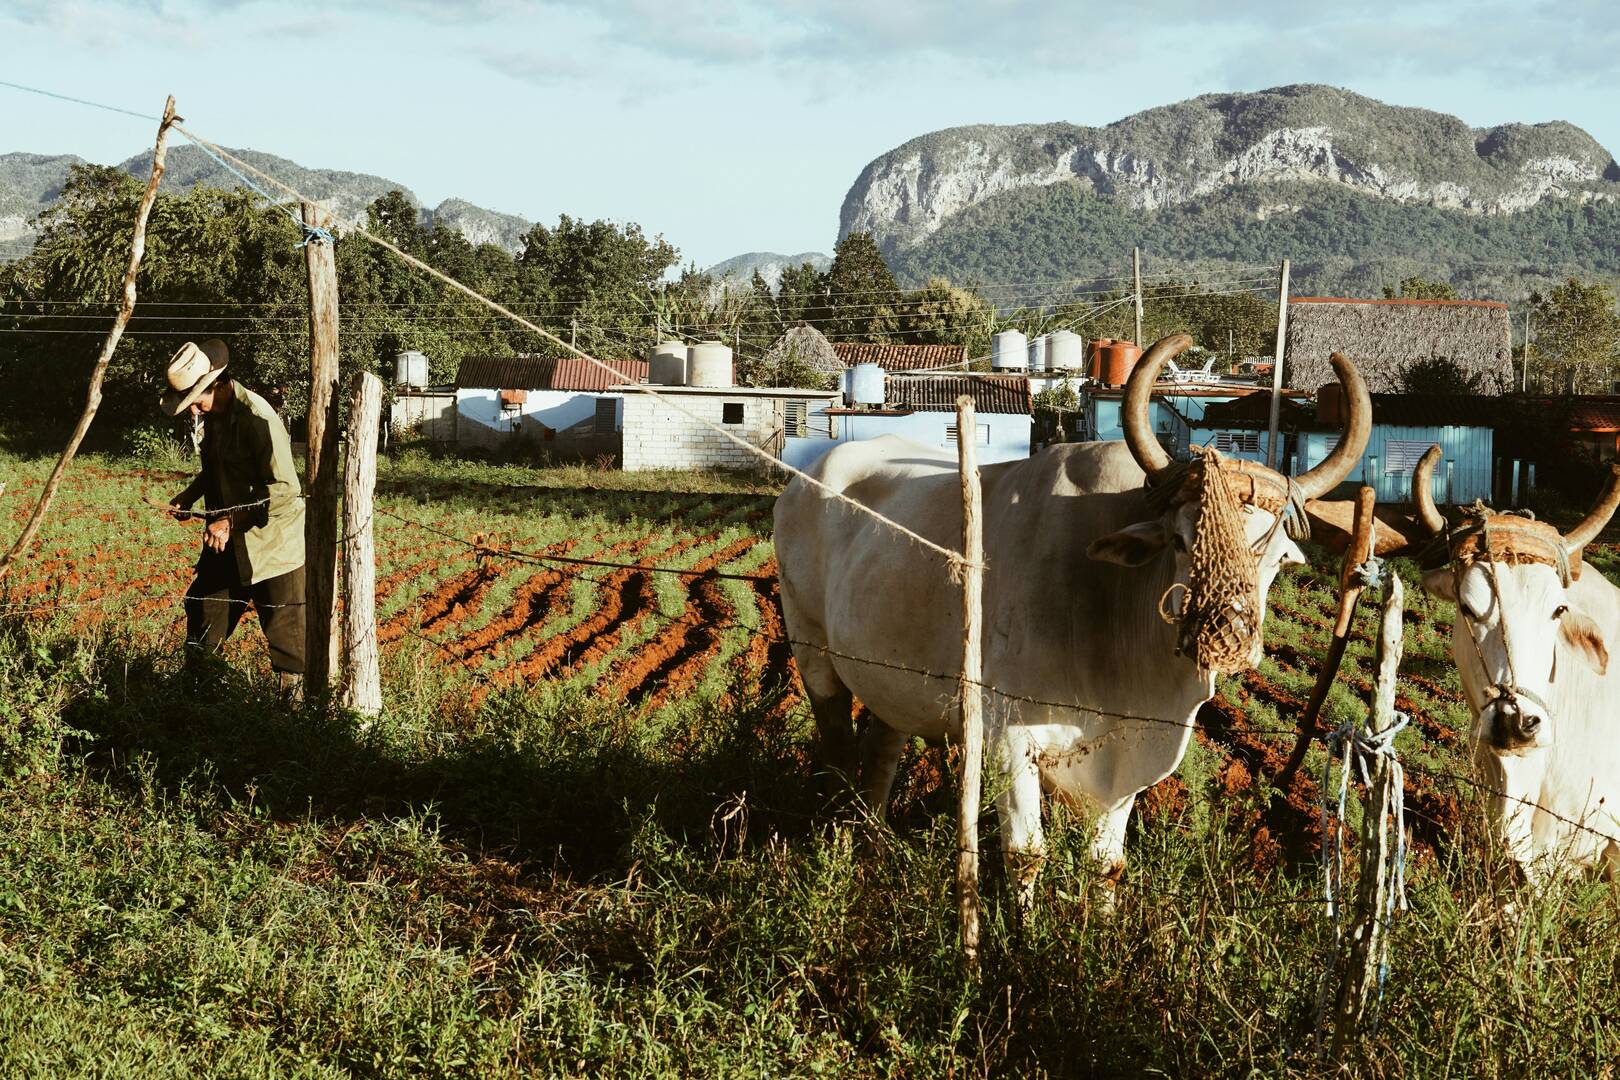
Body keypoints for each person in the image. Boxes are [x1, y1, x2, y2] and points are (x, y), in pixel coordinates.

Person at [161, 339, 307, 699]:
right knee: (202, 608)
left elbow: (286, 489)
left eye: (197, 399)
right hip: (226, 540)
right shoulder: (215, 416)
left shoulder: (259, 419)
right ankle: (198, 697)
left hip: (273, 543)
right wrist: (190, 494)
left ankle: (295, 712)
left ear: (219, 384)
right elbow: (214, 467)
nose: (194, 410)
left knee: (286, 632)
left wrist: (230, 521)